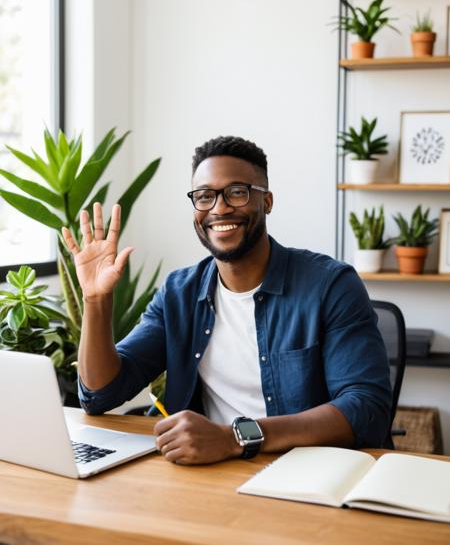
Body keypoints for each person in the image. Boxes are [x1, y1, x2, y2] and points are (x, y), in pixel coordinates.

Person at [62, 135, 392, 465]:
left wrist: (234, 437)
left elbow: (366, 407)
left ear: (266, 201)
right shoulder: (180, 292)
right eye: (204, 196)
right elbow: (101, 394)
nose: (219, 209)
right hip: (207, 471)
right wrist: (96, 299)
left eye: (237, 192)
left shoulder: (330, 286)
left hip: (305, 473)